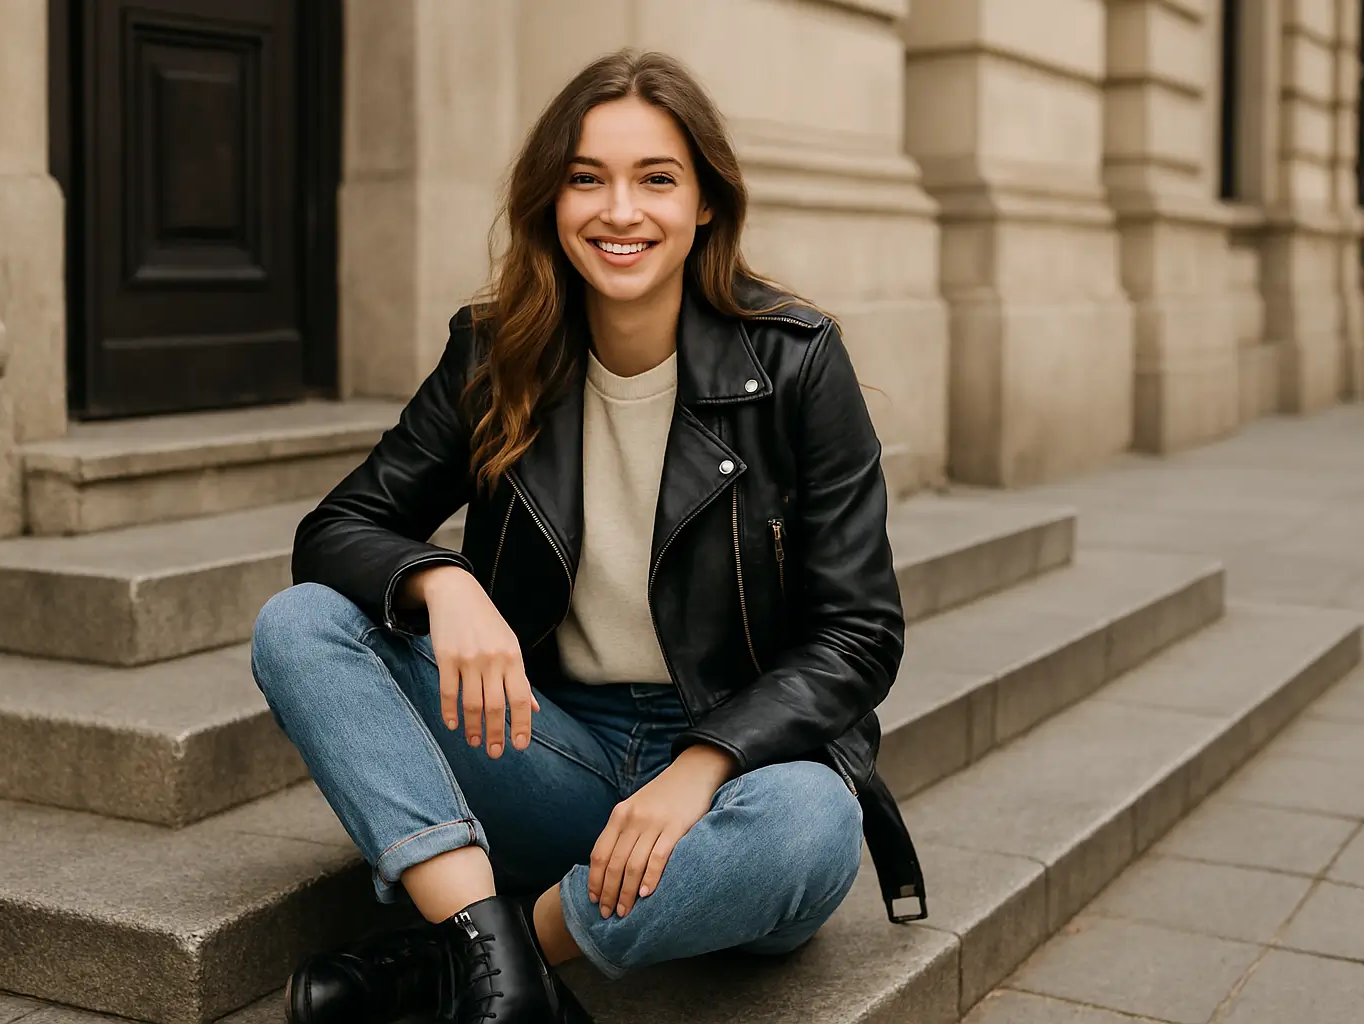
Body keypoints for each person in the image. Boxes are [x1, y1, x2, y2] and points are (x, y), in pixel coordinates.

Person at [251, 47, 926, 1024]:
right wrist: (442, 583)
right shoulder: (494, 356)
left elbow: (860, 634)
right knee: (301, 625)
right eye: (586, 179)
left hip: (738, 777)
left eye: (657, 178)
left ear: (704, 204)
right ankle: (500, 962)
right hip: (548, 748)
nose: (620, 210)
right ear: (550, 203)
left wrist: (701, 767)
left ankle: (480, 958)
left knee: (814, 823)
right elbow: (339, 529)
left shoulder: (794, 363)